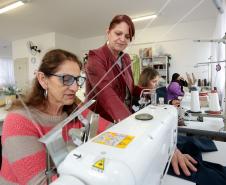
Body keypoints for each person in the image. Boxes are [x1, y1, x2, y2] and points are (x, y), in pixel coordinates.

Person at [0, 49, 110, 185]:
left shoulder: (74, 107)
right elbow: (43, 182)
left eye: (77, 79)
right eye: (67, 79)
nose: (75, 88)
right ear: (43, 79)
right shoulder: (19, 122)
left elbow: (109, 129)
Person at [132, 67, 197, 176]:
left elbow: (158, 105)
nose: (157, 85)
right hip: (147, 142)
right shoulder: (138, 100)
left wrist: (171, 102)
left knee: (191, 145)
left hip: (157, 136)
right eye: (154, 82)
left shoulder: (151, 96)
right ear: (144, 81)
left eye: (157, 82)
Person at [85, 14, 135, 123]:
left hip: (124, 117)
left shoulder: (125, 58)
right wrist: (129, 122)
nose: (122, 39)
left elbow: (130, 88)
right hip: (102, 122)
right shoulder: (96, 57)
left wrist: (150, 92)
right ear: (108, 31)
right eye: (118, 33)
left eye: (127, 37)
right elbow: (106, 93)